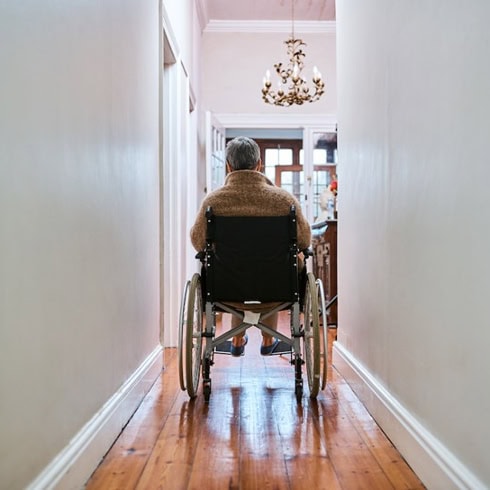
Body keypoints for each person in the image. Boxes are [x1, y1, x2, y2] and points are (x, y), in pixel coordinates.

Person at [190, 136, 311, 356]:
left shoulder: (213, 202)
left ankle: (236, 339)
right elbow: (304, 241)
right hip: (277, 285)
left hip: (227, 284)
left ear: (228, 165)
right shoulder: (285, 201)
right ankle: (268, 340)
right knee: (277, 266)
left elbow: (198, 242)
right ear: (259, 164)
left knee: (233, 269)